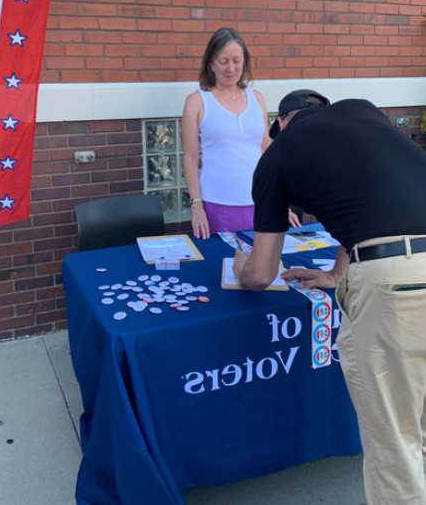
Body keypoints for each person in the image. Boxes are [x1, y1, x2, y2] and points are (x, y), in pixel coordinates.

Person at [232, 88, 426, 505]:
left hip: (397, 282)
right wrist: (338, 274)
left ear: (281, 123)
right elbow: (370, 202)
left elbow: (262, 273)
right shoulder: (365, 114)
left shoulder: (278, 154)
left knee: (395, 440)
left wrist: (238, 266)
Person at [182, 28, 300, 239]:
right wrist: (196, 206)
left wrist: (280, 201)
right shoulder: (197, 101)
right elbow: (190, 158)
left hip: (260, 201)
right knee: (222, 265)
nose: (230, 68)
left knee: (263, 266)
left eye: (236, 60)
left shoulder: (257, 98)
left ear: (244, 61)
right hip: (216, 204)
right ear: (210, 63)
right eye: (223, 61)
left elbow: (266, 152)